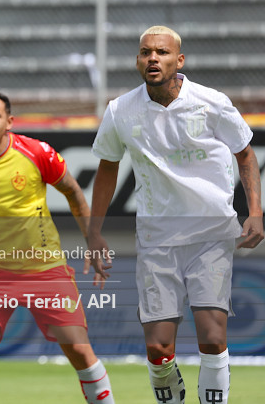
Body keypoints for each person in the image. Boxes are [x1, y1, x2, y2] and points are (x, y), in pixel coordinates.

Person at [88, 25, 263, 404]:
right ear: (138, 60)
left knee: (212, 337)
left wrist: (255, 212)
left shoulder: (212, 102)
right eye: (146, 52)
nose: (153, 58)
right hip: (157, 239)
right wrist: (94, 231)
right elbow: (107, 168)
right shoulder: (120, 110)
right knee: (158, 347)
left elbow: (245, 154)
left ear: (179, 60)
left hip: (212, 234)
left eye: (162, 52)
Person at [0, 90, 114, 404]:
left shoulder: (36, 152)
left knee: (79, 350)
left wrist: (93, 240)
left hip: (47, 272)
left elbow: (74, 192)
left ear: (9, 122)